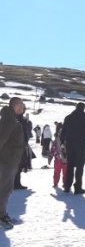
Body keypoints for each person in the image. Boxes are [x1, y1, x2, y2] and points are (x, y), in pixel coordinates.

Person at [0, 99, 27, 230]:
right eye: (21, 105)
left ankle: (3, 215)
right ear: (15, 105)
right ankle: (1, 218)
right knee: (4, 190)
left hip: (9, 161)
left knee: (6, 189)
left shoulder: (10, 119)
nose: (23, 107)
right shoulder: (9, 120)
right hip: (6, 162)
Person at [61, 102, 85, 194]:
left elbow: (63, 131)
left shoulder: (68, 117)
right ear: (83, 108)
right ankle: (77, 187)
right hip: (81, 145)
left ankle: (67, 186)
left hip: (70, 145)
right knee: (80, 167)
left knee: (70, 166)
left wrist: (61, 142)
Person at [13, 103, 32, 190]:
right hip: (15, 146)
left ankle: (16, 183)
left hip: (22, 146)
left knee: (19, 166)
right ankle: (14, 184)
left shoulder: (24, 120)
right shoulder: (15, 119)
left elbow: (27, 133)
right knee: (16, 166)